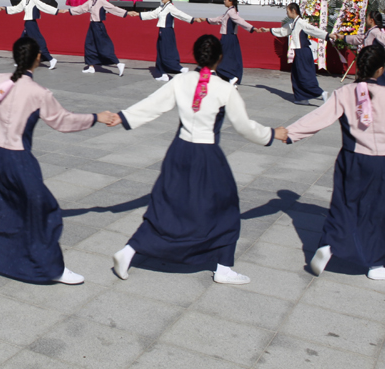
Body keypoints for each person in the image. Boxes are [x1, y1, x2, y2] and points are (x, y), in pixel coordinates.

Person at [0, 37, 115, 284]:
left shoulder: (0, 81)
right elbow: (63, 121)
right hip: (17, 160)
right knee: (43, 211)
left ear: (15, 57)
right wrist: (96, 117)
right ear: (38, 58)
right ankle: (53, 268)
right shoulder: (39, 93)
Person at [104, 35, 285, 285]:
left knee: (166, 206)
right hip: (207, 156)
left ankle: (129, 251)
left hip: (179, 151)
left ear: (196, 55)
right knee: (226, 207)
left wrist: (123, 117)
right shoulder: (224, 88)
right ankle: (223, 267)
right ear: (220, 58)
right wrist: (272, 134)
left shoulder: (181, 80)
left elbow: (153, 105)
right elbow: (244, 126)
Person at [284, 45, 385, 280]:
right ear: (381, 70)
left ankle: (329, 244)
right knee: (383, 211)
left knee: (345, 204)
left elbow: (319, 118)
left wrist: (289, 132)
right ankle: (376, 265)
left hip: (352, 158)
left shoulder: (344, 92)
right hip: (383, 161)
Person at [195, 0, 266, 84]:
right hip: (228, 37)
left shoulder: (232, 12)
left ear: (230, 1)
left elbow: (241, 21)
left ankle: (230, 76)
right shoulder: (230, 11)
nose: (224, 1)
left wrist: (253, 28)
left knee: (221, 58)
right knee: (230, 58)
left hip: (228, 38)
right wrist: (206, 19)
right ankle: (229, 77)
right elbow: (219, 19)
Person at [67, 0, 138, 75]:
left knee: (103, 46)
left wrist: (127, 13)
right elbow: (82, 8)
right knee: (89, 45)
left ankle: (118, 63)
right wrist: (69, 11)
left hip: (99, 26)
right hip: (92, 25)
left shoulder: (101, 1)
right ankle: (91, 66)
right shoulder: (90, 1)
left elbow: (113, 8)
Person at [269, 3, 331, 105]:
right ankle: (302, 98)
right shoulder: (293, 23)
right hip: (299, 52)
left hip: (303, 52)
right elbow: (283, 31)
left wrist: (328, 35)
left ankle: (321, 93)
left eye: (287, 11)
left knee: (304, 76)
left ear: (293, 10)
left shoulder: (301, 22)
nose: (287, 13)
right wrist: (268, 30)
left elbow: (314, 30)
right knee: (296, 75)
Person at [0, 0, 59, 70]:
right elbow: (17, 8)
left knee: (38, 41)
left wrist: (57, 11)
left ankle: (51, 59)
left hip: (32, 23)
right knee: (22, 42)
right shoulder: (24, 0)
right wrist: (5, 8)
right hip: (27, 23)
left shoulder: (34, 0)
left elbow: (44, 7)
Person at [141, 0, 193, 81]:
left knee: (166, 53)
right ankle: (163, 74)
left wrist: (192, 19)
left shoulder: (170, 7)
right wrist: (138, 14)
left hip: (167, 31)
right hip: (162, 31)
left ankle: (179, 68)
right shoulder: (162, 7)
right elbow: (152, 14)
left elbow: (181, 14)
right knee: (160, 53)